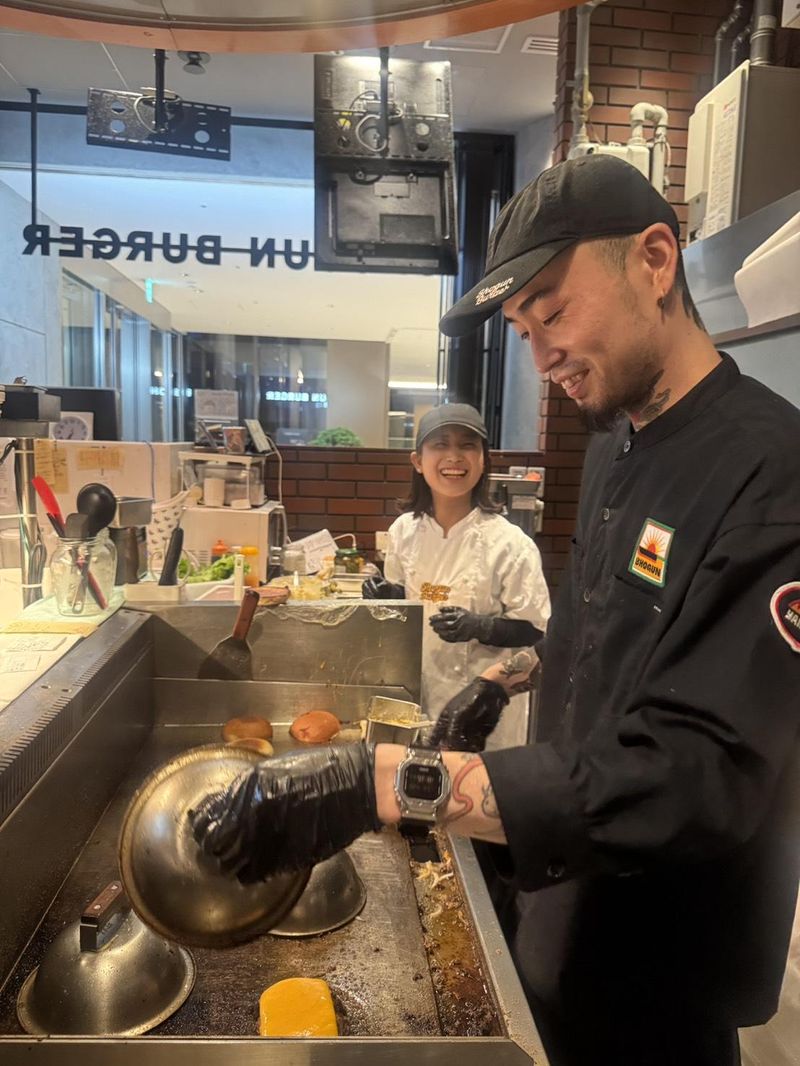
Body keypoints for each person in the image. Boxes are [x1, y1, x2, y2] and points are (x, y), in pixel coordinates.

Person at [191, 155, 800, 1066]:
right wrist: (510, 678)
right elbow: (600, 635)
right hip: (562, 892)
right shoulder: (617, 444)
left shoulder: (773, 473)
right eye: (523, 330)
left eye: (553, 313)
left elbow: (701, 774)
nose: (542, 356)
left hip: (658, 956)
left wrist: (391, 782)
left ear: (655, 260)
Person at [363, 403, 551, 748]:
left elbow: (535, 630)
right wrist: (389, 597)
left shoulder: (511, 544)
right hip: (419, 698)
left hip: (486, 711)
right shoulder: (404, 531)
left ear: (483, 461)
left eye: (467, 445)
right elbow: (407, 610)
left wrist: (482, 627)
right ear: (418, 461)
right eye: (440, 444)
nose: (454, 456)